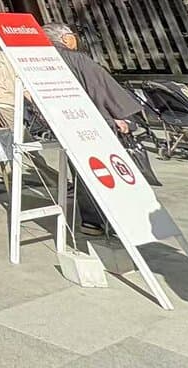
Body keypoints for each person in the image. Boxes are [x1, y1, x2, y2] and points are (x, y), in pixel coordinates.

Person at [42, 22, 144, 236]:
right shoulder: (78, 59)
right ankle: (115, 219)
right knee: (108, 171)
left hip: (66, 124)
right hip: (95, 123)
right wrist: (119, 116)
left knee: (82, 170)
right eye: (71, 35)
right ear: (65, 39)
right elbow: (101, 88)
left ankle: (91, 220)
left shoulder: (40, 62)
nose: (74, 38)